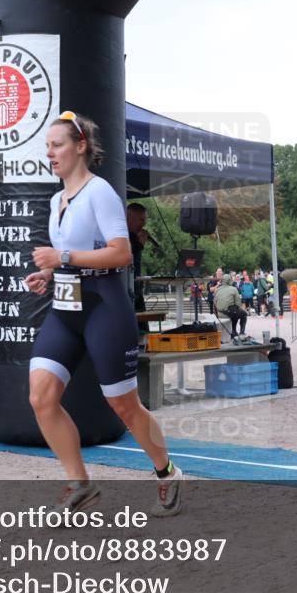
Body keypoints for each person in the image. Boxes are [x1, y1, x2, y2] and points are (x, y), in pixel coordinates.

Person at [24, 110, 182, 517]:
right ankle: (80, 484)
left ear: (81, 147)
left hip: (104, 306)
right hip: (65, 307)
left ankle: (166, 472)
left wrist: (62, 255)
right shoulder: (57, 199)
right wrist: (48, 273)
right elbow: (70, 259)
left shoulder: (101, 193)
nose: (50, 153)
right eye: (47, 147)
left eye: (57, 145)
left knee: (124, 406)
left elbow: (122, 252)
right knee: (41, 397)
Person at [126, 202, 149, 331]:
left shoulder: (135, 236)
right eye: (140, 219)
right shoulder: (121, 235)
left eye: (144, 220)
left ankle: (145, 343)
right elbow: (126, 254)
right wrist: (140, 244)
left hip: (137, 285)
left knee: (142, 324)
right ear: (129, 217)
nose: (143, 224)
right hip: (126, 286)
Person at [214, 273, 248, 339]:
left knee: (234, 311)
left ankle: (234, 330)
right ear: (229, 281)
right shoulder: (233, 289)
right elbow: (238, 303)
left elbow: (215, 301)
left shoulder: (217, 289)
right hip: (229, 312)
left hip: (219, 313)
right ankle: (240, 331)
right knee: (243, 314)